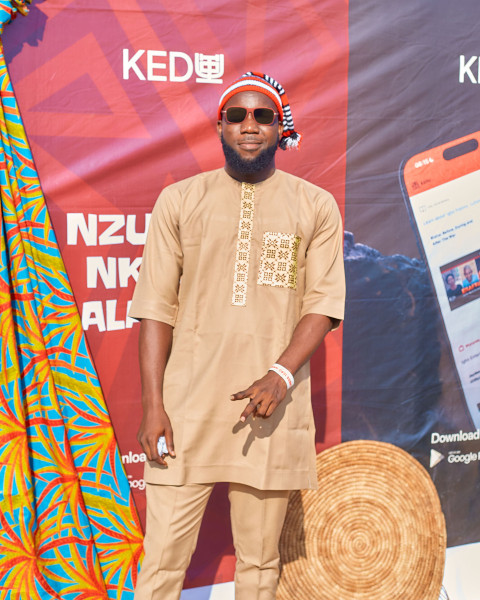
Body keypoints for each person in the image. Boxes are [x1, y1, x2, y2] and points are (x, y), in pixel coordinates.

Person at [128, 71, 345, 600]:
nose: (250, 126)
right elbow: (156, 305)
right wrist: (154, 404)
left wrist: (278, 374)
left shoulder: (314, 206)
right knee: (159, 567)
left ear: (280, 129)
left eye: (263, 115)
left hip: (269, 409)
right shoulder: (180, 200)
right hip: (186, 410)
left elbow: (323, 303)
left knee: (259, 566)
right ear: (220, 126)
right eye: (237, 115)